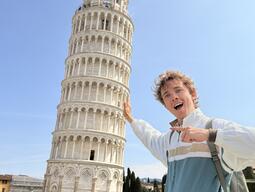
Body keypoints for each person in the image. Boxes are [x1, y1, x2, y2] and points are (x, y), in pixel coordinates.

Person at [123, 70, 255, 192]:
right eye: (167, 95)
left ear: (193, 94)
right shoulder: (170, 139)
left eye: (178, 90)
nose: (173, 97)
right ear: (165, 105)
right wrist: (131, 120)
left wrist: (209, 135)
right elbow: (149, 136)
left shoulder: (214, 126)